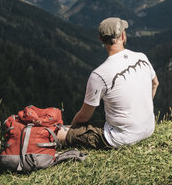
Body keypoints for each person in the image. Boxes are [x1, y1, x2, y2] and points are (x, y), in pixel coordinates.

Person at [57, 17, 159, 149]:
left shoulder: (98, 75)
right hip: (149, 127)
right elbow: (155, 83)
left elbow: (83, 116)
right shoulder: (142, 57)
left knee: (59, 133)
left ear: (100, 39)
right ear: (123, 35)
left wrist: (73, 130)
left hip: (121, 138)